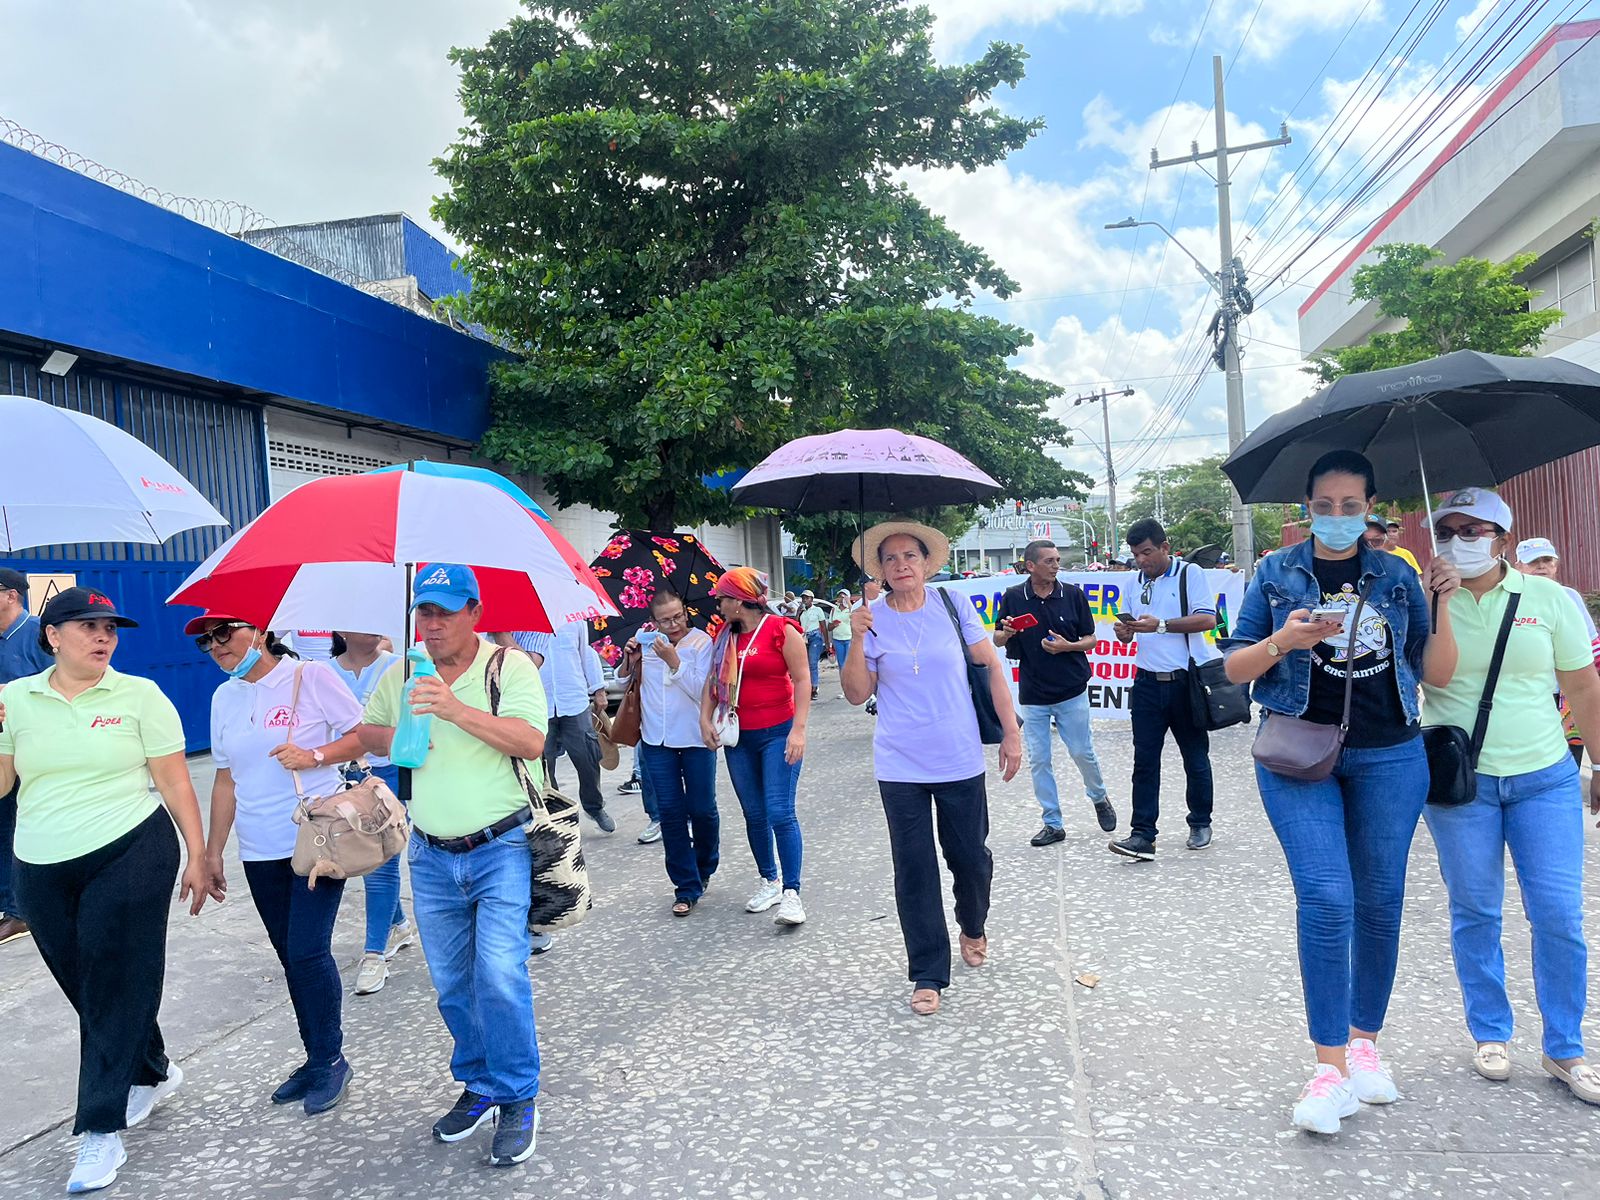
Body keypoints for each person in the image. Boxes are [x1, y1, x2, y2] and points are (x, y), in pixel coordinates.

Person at [1222, 449, 1460, 1135]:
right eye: (1323, 506)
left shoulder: (1399, 575)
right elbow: (1234, 665)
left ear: (1370, 509)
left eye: (1349, 506)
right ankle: (1329, 1071)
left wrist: (1444, 602)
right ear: (1307, 509)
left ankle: (1364, 1045)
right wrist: (1283, 642)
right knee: (1327, 897)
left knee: (1380, 902)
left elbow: (1437, 673)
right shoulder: (1276, 572)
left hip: (1391, 755)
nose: (1335, 516)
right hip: (1296, 753)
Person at [0, 587, 213, 1193]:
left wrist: (199, 855)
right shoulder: (14, 699)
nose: (103, 637)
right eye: (88, 626)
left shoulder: (140, 696)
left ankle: (99, 1127)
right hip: (39, 863)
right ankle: (151, 1070)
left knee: (115, 978)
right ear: (52, 636)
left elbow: (175, 783)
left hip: (130, 848)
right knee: (88, 984)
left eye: (110, 628)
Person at [358, 564, 549, 1166]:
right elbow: (368, 731)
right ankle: (480, 1082)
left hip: (502, 847)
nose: (432, 622)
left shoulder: (507, 667)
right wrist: (403, 728)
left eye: (445, 611)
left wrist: (452, 709)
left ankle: (517, 1093)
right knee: (451, 982)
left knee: (500, 973)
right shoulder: (403, 670)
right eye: (425, 610)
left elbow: (530, 741)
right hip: (430, 851)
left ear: (475, 613)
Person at [1420, 489, 1600, 1108]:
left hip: (1544, 776)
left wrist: (1599, 761)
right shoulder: (1423, 598)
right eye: (1448, 531)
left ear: (1502, 538)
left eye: (1474, 530)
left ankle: (1566, 1046)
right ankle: (1491, 1031)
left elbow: (1582, 685)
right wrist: (1437, 603)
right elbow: (1432, 677)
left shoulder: (1549, 599)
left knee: (1558, 914)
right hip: (1459, 782)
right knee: (1475, 909)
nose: (1460, 540)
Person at [843, 523, 1022, 1015]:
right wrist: (855, 638)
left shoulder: (953, 604)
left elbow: (991, 668)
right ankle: (927, 972)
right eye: (890, 558)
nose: (901, 565)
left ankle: (973, 922)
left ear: (926, 563)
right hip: (899, 762)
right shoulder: (870, 620)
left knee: (970, 859)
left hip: (958, 757)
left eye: (910, 556)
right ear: (880, 570)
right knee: (914, 868)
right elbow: (857, 693)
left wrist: (1010, 732)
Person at [194, 612, 367, 1115]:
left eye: (225, 632)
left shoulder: (309, 677)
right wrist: (212, 851)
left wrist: (315, 756)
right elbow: (225, 780)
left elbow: (366, 736)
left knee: (308, 951)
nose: (216, 645)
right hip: (258, 848)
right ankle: (316, 1058)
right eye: (206, 641)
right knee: (290, 955)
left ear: (261, 632)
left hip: (316, 839)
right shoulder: (224, 697)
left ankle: (331, 1059)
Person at [700, 567, 811, 924]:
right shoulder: (724, 636)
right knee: (754, 813)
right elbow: (713, 682)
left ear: (739, 600)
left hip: (779, 732)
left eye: (722, 598)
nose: (718, 604)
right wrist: (705, 719)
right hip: (740, 737)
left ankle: (792, 893)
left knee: (779, 811)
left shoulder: (781, 629)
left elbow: (802, 679)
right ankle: (770, 881)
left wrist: (798, 731)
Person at [1109, 519, 1220, 860]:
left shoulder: (1189, 575)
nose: (1141, 560)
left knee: (1195, 757)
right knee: (1144, 761)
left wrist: (1161, 626)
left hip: (1185, 681)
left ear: (1164, 547)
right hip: (1146, 682)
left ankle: (1200, 822)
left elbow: (1208, 619)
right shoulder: (1133, 582)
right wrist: (1125, 632)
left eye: (1147, 552)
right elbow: (1130, 630)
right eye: (1135, 555)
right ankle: (1143, 835)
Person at [994, 539, 1114, 846]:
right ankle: (1052, 822)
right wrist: (1007, 632)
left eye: (1058, 560)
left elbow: (1091, 639)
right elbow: (997, 638)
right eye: (1049, 561)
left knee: (1081, 751)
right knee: (1039, 760)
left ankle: (1099, 797)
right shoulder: (1013, 597)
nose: (1056, 566)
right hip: (1033, 692)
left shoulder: (1072, 595)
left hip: (1071, 689)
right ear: (1030, 566)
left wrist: (1068, 646)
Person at [619, 589, 717, 915]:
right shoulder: (645, 641)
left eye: (678, 617)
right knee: (671, 813)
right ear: (653, 621)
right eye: (665, 620)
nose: (673, 625)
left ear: (686, 612)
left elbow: (703, 692)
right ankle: (685, 887)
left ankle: (705, 864)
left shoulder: (701, 643)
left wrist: (674, 661)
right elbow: (623, 683)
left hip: (694, 737)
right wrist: (630, 660)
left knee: (702, 809)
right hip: (655, 740)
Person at [331, 631, 415, 996]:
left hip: (389, 774)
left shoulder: (400, 668)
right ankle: (398, 924)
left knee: (381, 864)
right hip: (340, 778)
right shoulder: (323, 672)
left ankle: (374, 954)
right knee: (362, 861)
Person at [521, 621, 615, 833]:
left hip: (574, 699)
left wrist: (599, 689)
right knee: (543, 767)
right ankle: (553, 815)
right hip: (538, 703)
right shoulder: (523, 620)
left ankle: (594, 807)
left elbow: (586, 653)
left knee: (588, 758)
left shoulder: (573, 618)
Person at [1515, 537, 1600, 768]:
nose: (1541, 566)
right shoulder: (1512, 599)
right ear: (1519, 566)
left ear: (1555, 565)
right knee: (1535, 760)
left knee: (1571, 759)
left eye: (1547, 560)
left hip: (1569, 694)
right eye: (1533, 562)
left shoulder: (1569, 596)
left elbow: (1593, 645)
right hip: (1531, 695)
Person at [0, 567, 51, 947]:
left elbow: (62, 687)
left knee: (24, 829)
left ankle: (21, 910)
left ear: (11, 595)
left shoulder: (38, 635)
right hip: (3, 752)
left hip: (33, 753)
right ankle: (12, 906)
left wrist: (11, 691)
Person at [796, 589, 828, 700]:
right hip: (804, 637)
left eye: (807, 598)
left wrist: (826, 643)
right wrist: (798, 612)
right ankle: (807, 687)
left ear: (811, 599)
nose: (805, 600)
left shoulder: (817, 610)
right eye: (803, 598)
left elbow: (823, 626)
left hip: (815, 637)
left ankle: (814, 688)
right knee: (804, 664)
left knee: (813, 663)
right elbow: (796, 624)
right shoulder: (802, 611)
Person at [828, 589, 856, 699]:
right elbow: (829, 627)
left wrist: (848, 603)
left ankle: (852, 687)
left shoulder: (850, 609)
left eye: (844, 596)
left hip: (848, 639)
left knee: (849, 664)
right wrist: (834, 624)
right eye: (840, 596)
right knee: (841, 665)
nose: (841, 599)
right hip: (838, 639)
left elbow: (854, 616)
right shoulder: (834, 610)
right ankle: (844, 689)